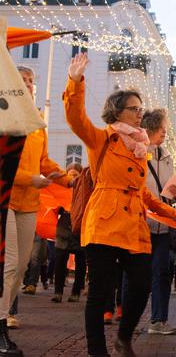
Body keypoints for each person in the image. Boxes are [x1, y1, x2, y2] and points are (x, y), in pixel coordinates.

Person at [62, 53, 176, 357]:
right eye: (134, 109)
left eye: (140, 109)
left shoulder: (141, 148)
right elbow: (75, 119)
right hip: (103, 220)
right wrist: (75, 81)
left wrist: (169, 211)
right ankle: (97, 351)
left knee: (141, 285)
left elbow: (141, 193)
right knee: (99, 293)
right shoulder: (103, 139)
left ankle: (124, 338)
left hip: (134, 225)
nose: (140, 114)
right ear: (117, 112)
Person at [1, 66, 74, 356]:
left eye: (32, 80)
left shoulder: (38, 122)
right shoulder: (4, 116)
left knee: (20, 267)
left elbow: (44, 162)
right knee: (9, 265)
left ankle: (5, 316)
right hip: (5, 198)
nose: (30, 85)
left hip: (28, 201)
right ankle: (2, 326)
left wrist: (71, 180)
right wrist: (29, 179)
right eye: (23, 80)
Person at [141, 108, 176, 336]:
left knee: (162, 273)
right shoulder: (136, 153)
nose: (164, 131)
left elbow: (168, 193)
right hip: (141, 222)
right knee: (134, 274)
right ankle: (128, 318)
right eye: (160, 127)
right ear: (148, 130)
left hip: (163, 225)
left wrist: (174, 194)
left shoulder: (167, 157)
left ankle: (159, 320)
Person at [51, 162, 87, 303]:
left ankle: (76, 292)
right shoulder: (61, 189)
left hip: (80, 230)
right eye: (70, 176)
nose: (72, 179)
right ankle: (58, 292)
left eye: (75, 176)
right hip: (64, 230)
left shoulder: (85, 190)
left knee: (80, 262)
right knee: (60, 261)